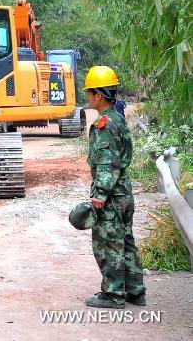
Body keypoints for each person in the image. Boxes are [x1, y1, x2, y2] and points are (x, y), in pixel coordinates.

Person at [83, 65, 146, 309]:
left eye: (90, 93)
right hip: (124, 192)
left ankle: (113, 294)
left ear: (99, 95)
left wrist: (99, 194)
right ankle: (135, 291)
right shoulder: (118, 119)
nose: (88, 97)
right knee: (125, 240)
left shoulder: (105, 124)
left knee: (108, 243)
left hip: (111, 194)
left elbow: (108, 163)